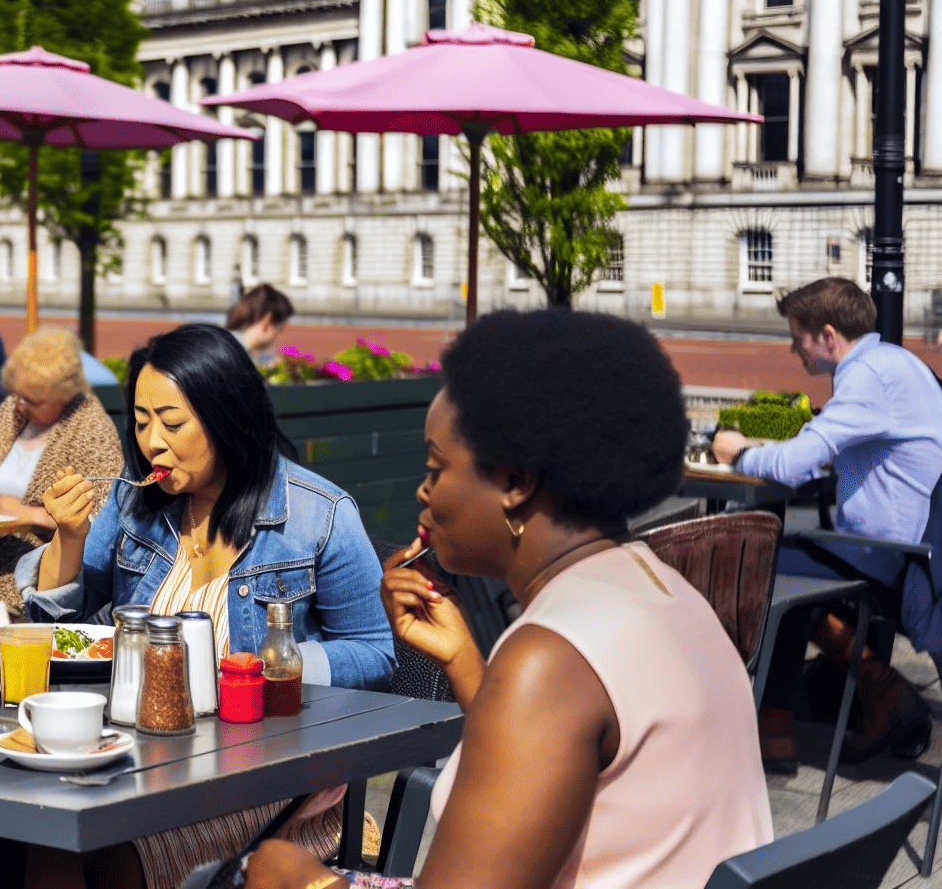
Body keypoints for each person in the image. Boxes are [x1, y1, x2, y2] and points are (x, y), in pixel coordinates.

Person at [248, 309, 772, 889]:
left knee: (268, 865)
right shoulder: (660, 585)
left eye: (436, 468)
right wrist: (464, 660)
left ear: (515, 482)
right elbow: (558, 765)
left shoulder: (549, 661)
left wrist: (305, 881)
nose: (423, 492)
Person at [20, 323, 394, 889]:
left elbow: (376, 654)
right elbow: (64, 629)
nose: (151, 443)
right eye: (142, 422)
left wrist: (265, 667)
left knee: (97, 845)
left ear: (227, 416)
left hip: (269, 777)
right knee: (35, 831)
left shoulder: (320, 516)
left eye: (172, 423)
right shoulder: (132, 501)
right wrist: (68, 539)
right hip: (138, 754)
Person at [712, 277, 942, 768]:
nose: (794, 349)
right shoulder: (896, 362)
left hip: (898, 557)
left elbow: (793, 465)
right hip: (917, 546)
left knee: (764, 565)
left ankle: (779, 730)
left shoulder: (866, 378)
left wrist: (739, 453)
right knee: (786, 558)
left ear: (828, 335)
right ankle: (879, 693)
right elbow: (848, 452)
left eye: (798, 337)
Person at [0, 328, 124, 630]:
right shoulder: (13, 410)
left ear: (65, 394)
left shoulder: (91, 427)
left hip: (38, 571)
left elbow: (102, 522)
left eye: (33, 401)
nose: (21, 405)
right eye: (17, 394)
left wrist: (24, 513)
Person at [225, 283, 294, 366]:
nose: (277, 335)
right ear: (267, 321)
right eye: (280, 328)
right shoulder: (227, 353)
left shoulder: (225, 343)